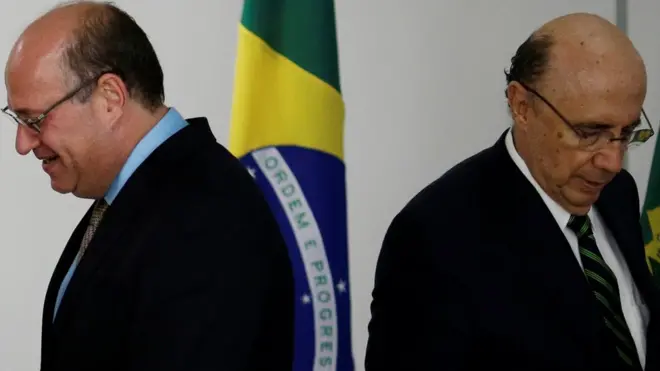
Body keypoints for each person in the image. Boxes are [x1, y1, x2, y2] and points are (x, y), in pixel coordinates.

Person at [3, 2, 294, 370]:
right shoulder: (143, 195)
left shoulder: (203, 216)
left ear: (110, 98)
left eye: (35, 119)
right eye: (16, 119)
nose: (22, 143)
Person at [365, 13, 660, 371]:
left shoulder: (616, 193)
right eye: (589, 132)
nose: (613, 161)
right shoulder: (434, 239)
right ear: (522, 106)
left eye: (627, 132)